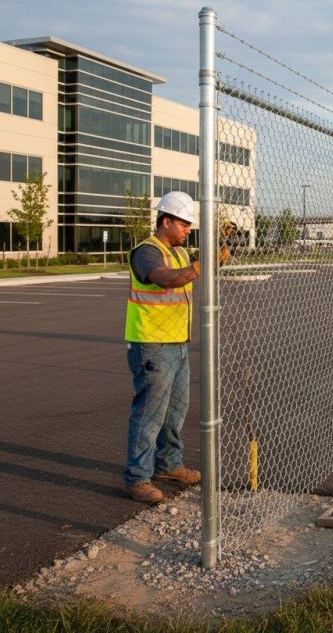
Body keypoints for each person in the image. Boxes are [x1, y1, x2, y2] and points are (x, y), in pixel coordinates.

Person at [123, 191, 201, 503]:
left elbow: (184, 273)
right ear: (165, 221)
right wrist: (199, 267)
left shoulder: (180, 253)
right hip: (151, 344)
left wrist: (218, 255)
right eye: (183, 224)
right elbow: (164, 279)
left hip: (178, 343)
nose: (187, 230)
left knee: (175, 411)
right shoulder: (146, 252)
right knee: (150, 413)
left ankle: (169, 465)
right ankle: (137, 478)